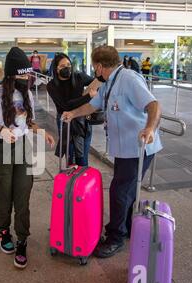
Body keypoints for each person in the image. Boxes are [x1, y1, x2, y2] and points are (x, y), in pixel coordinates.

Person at [61, 45, 162, 258]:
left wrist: (150, 128)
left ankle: (115, 238)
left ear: (99, 66)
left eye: (94, 66)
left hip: (138, 148)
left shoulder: (129, 79)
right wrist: (73, 113)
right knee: (125, 191)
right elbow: (93, 105)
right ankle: (126, 228)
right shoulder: (111, 82)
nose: (95, 70)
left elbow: (153, 105)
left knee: (119, 192)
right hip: (125, 149)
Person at [0, 47, 55, 269]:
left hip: (23, 148)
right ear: (11, 74)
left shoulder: (27, 93)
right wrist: (0, 130)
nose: (27, 78)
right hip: (1, 148)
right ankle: (3, 231)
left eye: (28, 74)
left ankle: (22, 239)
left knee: (23, 195)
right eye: (22, 75)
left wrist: (41, 131)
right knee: (3, 194)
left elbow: (27, 122)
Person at [47, 52, 101, 167]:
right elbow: (66, 106)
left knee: (82, 156)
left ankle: (82, 181)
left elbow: (96, 83)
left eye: (68, 64)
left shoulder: (79, 76)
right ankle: (71, 182)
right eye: (62, 66)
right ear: (56, 69)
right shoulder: (51, 85)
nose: (67, 68)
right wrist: (87, 97)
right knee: (70, 156)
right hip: (65, 120)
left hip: (82, 120)